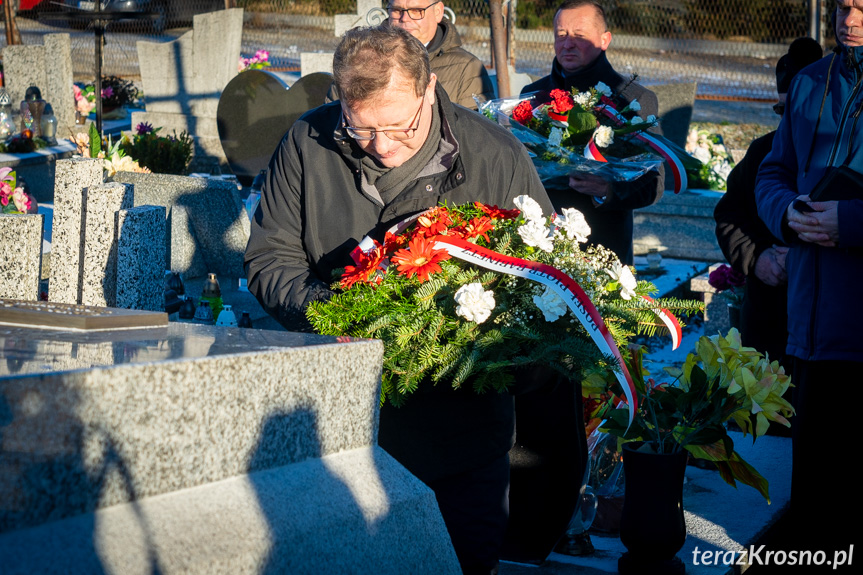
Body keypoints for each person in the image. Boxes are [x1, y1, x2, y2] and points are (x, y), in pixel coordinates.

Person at [244, 25, 553, 575]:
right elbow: (271, 260)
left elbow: (547, 284)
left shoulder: (493, 155)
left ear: (429, 90)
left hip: (461, 440)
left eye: (399, 127)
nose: (382, 148)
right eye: (361, 132)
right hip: (341, 429)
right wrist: (339, 312)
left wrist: (475, 348)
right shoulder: (307, 142)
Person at [755, 0, 863, 555]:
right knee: (816, 517)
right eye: (844, 4)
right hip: (813, 333)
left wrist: (852, 222)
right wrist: (786, 212)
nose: (849, 16)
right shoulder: (808, 83)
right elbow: (774, 170)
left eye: (862, 6)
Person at [520, 0, 663, 265]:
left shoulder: (633, 99)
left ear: (605, 39)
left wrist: (607, 189)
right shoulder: (533, 97)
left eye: (580, 35)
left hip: (604, 246)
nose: (568, 43)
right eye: (561, 35)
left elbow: (654, 182)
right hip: (541, 244)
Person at [714, 37, 822, 363]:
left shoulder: (846, 155)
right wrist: (758, 257)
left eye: (800, 108)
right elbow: (730, 216)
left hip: (828, 325)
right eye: (781, 109)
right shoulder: (763, 151)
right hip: (768, 324)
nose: (789, 119)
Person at [386, 0, 496, 109]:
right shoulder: (372, 59)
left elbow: (475, 124)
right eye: (397, 10)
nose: (404, 18)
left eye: (416, 10)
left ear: (437, 12)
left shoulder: (466, 68)